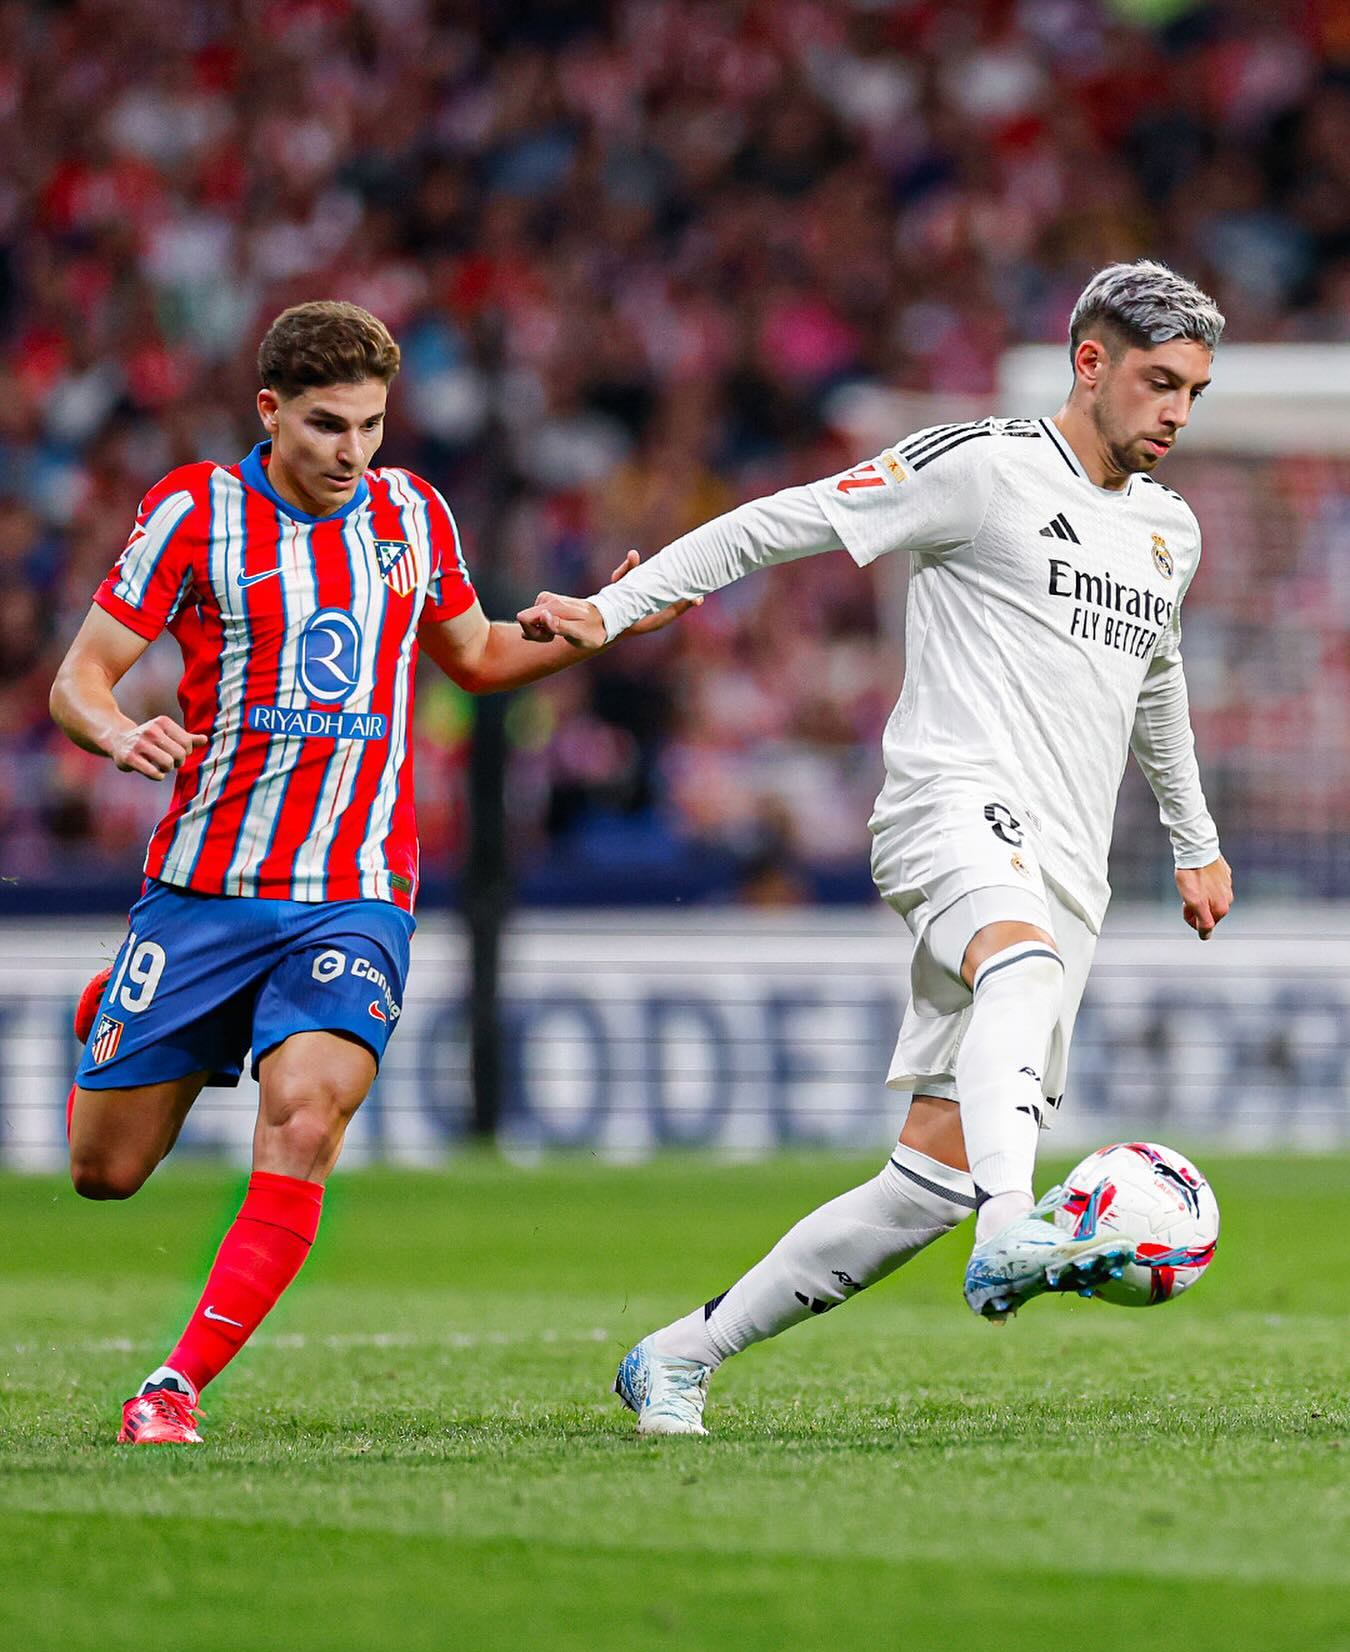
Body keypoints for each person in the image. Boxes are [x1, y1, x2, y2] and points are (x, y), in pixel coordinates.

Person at [518, 259, 1235, 1435]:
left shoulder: (1169, 530)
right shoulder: (984, 468)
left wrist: (1194, 840)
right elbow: (783, 521)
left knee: (925, 1186)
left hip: (1066, 861)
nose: (1177, 415)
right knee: (1021, 969)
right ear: (1090, 364)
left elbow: (1156, 678)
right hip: (949, 804)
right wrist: (616, 606)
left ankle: (679, 1356)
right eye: (1160, 383)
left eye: (1194, 393)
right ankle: (1018, 1228)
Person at [54, 299, 691, 1445]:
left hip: (356, 889)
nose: (354, 453)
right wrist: (117, 734)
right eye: (327, 426)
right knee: (105, 1173)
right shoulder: (194, 513)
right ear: (270, 411)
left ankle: (173, 1385)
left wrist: (607, 623)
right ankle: (113, 1013)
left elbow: (480, 652)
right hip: (205, 888)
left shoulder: (409, 513)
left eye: (372, 425)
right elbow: (81, 678)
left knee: (303, 1122)